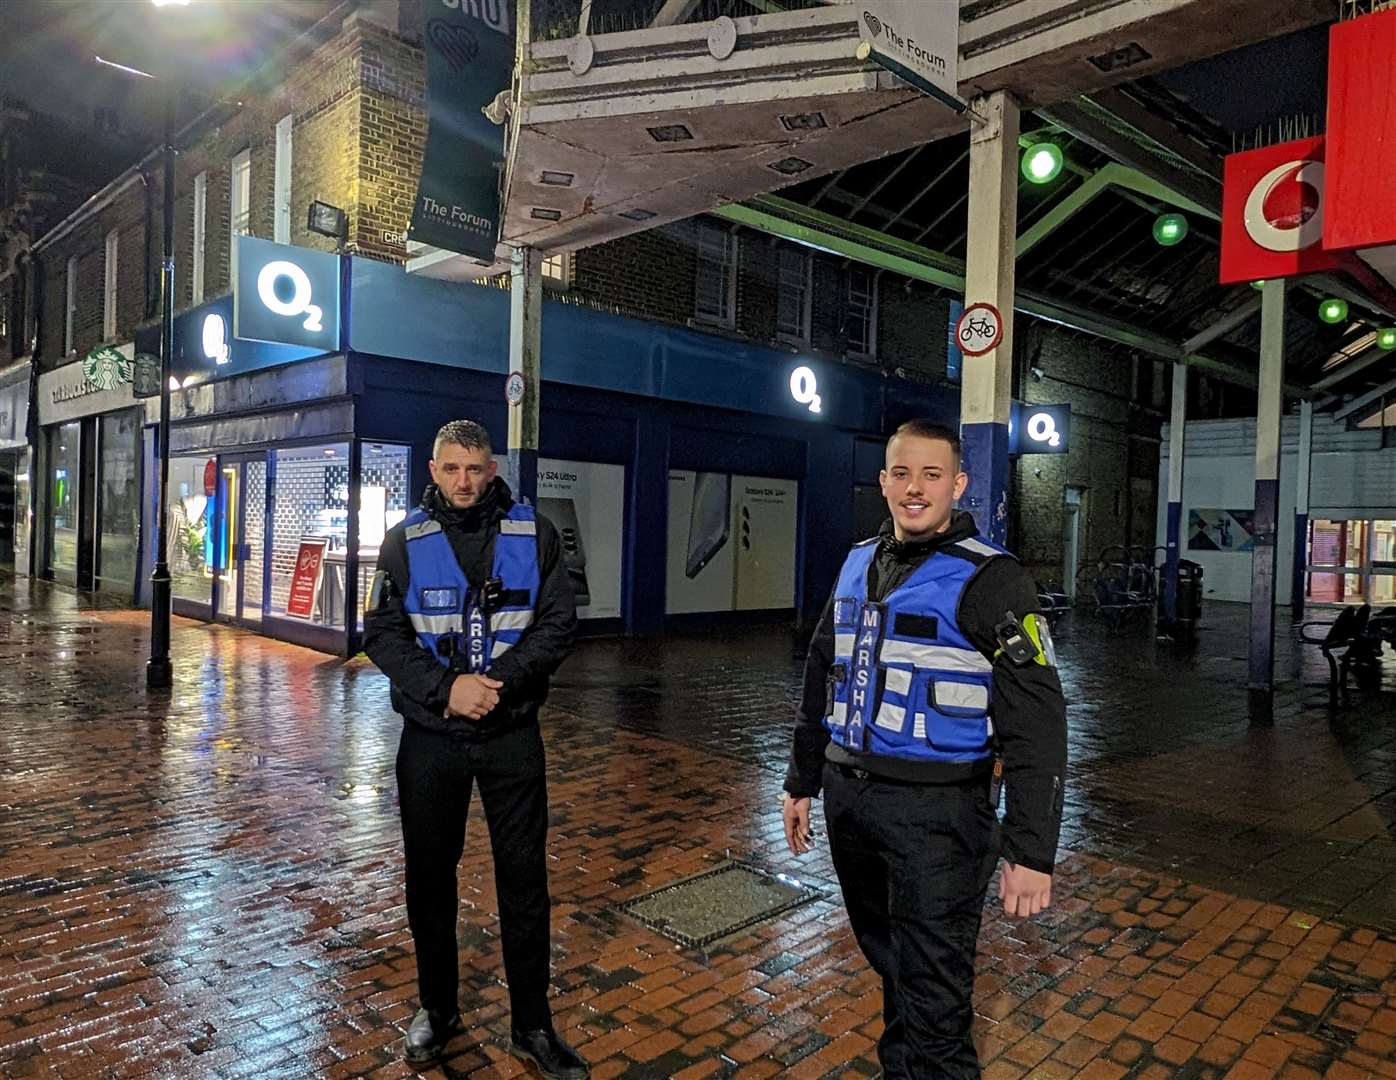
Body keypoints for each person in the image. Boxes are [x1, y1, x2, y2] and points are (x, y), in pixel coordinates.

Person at [782, 419, 1067, 1079]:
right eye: (902, 474)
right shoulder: (857, 560)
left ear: (958, 484)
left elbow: (1039, 719)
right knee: (895, 975)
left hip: (938, 819)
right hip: (852, 805)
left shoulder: (994, 580)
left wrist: (1029, 848)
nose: (915, 489)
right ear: (883, 482)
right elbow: (822, 672)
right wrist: (802, 781)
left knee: (935, 1006)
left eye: (931, 475)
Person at [363, 419, 588, 1078]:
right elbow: (382, 632)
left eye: (475, 469)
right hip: (432, 740)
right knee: (429, 880)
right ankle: (438, 1009)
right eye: (452, 469)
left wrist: (498, 686)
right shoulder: (403, 542)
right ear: (433, 472)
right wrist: (446, 690)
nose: (465, 481)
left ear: (492, 470)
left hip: (512, 735)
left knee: (525, 885)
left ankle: (532, 1027)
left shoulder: (533, 534)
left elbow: (558, 624)